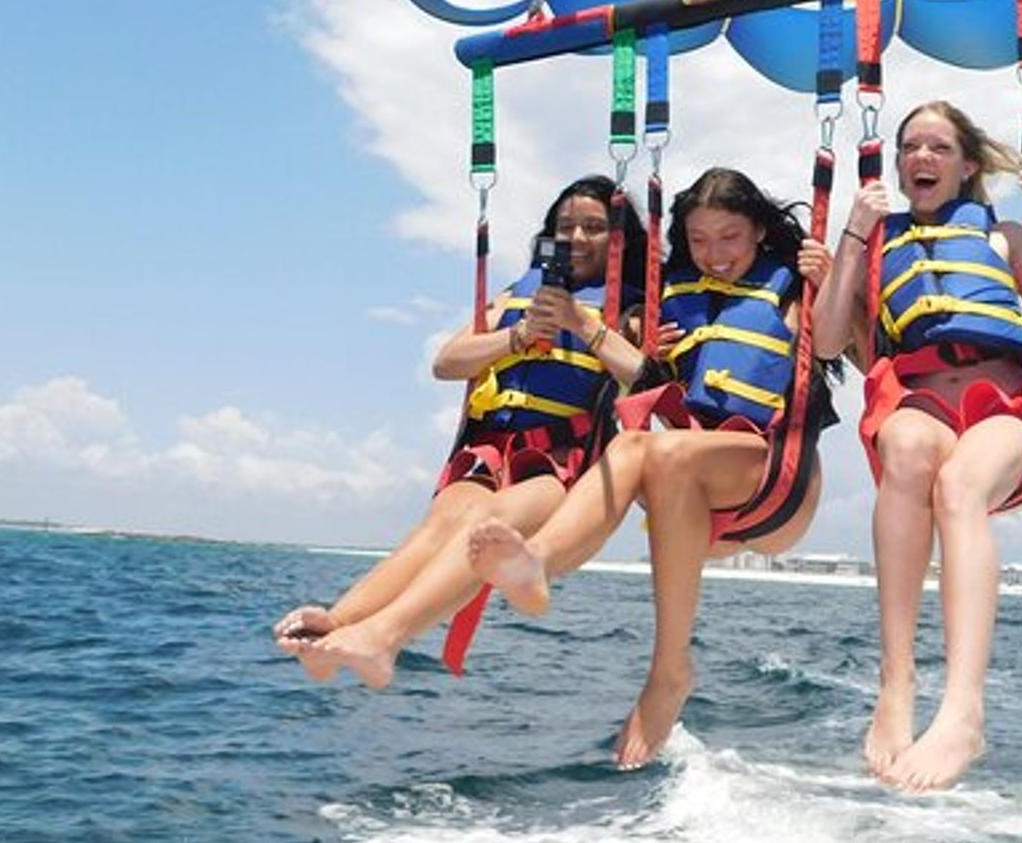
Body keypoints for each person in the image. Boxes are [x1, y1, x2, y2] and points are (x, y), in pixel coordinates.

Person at [468, 166, 837, 768]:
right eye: (699, 241)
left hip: (775, 482)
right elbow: (643, 382)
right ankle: (532, 565)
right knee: (647, 447)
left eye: (731, 238)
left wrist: (836, 271)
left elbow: (840, 346)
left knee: (643, 449)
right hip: (693, 495)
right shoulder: (675, 304)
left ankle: (665, 668)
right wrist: (642, 349)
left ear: (761, 235)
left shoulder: (796, 290)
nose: (715, 255)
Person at [272, 175, 648, 687]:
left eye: (594, 227)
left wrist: (583, 325)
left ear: (620, 239)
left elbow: (646, 377)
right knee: (440, 522)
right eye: (566, 227)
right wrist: (516, 336)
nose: (577, 238)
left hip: (561, 461)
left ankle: (384, 637)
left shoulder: (629, 309)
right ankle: (338, 624)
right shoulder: (519, 295)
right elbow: (447, 362)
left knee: (488, 521)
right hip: (490, 447)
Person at [811, 99, 1022, 792]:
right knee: (904, 449)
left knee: (960, 487)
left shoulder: (1003, 237)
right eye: (910, 148)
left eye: (937, 148)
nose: (921, 159)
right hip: (923, 396)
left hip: (1003, 403)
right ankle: (896, 686)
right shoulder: (877, 242)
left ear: (966, 165)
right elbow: (830, 337)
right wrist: (852, 233)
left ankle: (963, 710)